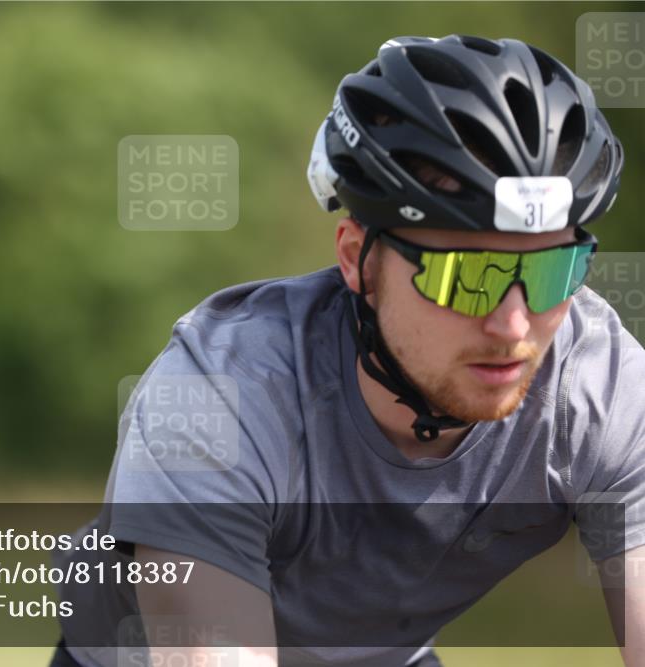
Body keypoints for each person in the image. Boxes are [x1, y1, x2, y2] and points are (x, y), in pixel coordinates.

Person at [52, 35, 641, 667]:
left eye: (554, 272)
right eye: (465, 276)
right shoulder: (222, 394)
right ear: (357, 258)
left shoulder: (598, 390)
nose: (513, 324)